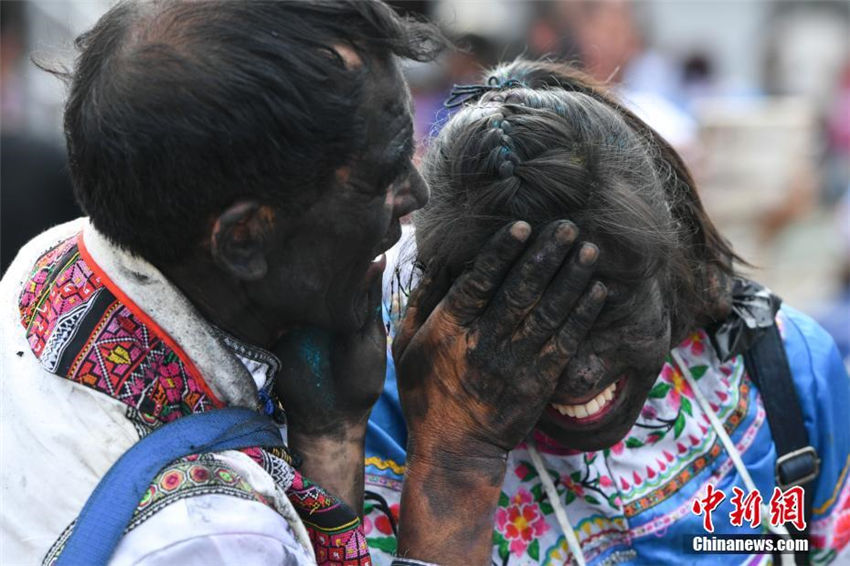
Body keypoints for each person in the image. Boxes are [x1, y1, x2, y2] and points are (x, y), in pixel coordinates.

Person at [0, 1, 448, 563]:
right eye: (382, 176)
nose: (415, 196)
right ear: (243, 240)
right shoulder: (212, 537)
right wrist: (460, 468)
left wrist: (331, 434)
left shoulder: (55, 259)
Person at [363, 61, 850, 565]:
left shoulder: (782, 374)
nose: (579, 378)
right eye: (528, 324)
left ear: (667, 261)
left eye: (605, 313)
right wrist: (457, 459)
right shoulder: (381, 423)